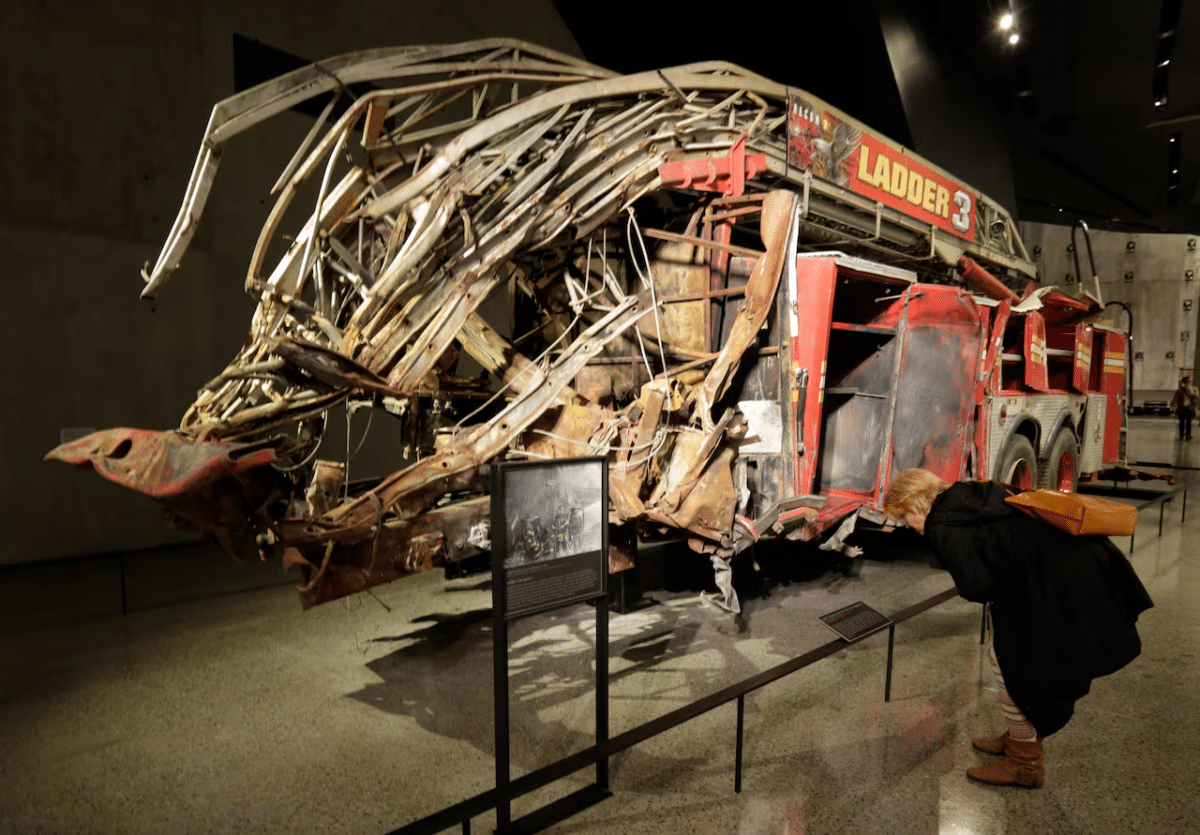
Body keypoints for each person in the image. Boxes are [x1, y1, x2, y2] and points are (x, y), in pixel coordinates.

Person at [884, 468, 1153, 788]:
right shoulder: (973, 493)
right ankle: (1019, 735)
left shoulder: (942, 523)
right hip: (1085, 566)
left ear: (914, 505)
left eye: (904, 519)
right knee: (1019, 660)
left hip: (1059, 583)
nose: (909, 527)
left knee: (1013, 665)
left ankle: (1024, 762)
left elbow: (976, 586)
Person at [1171, 376, 1199, 440]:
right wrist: (1173, 406)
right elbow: (1175, 399)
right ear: (1185, 383)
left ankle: (1188, 435)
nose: (1190, 383)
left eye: (1191, 381)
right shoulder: (1180, 391)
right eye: (1189, 381)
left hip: (1190, 408)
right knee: (1182, 422)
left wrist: (1192, 392)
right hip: (1181, 408)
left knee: (1189, 422)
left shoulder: (1194, 390)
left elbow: (1197, 398)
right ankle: (1181, 434)